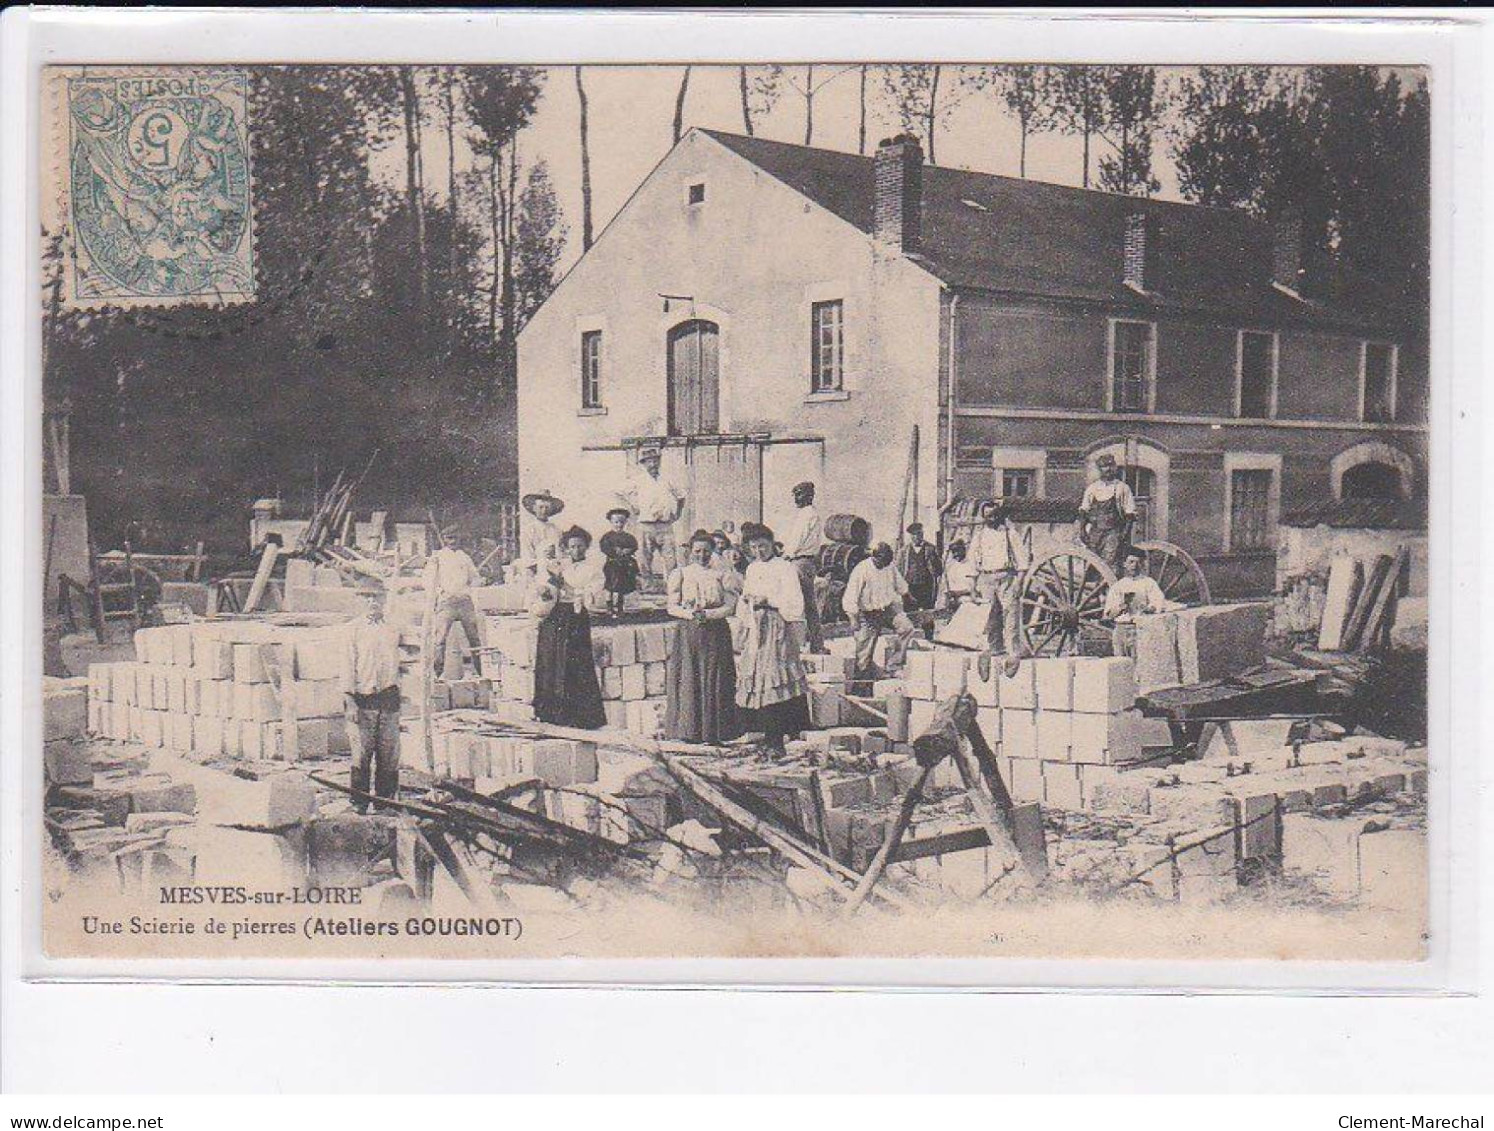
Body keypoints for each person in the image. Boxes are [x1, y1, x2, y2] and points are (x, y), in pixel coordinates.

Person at [735, 522, 810, 755]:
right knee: (757, 679)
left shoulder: (784, 568)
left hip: (776, 627)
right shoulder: (752, 569)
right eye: (754, 548)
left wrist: (767, 600)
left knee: (775, 678)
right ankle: (764, 734)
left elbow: (793, 601)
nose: (759, 552)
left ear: (772, 544)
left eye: (763, 546)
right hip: (756, 626)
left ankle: (778, 737)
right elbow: (745, 596)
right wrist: (747, 606)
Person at [664, 530, 741, 744]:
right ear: (690, 551)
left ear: (713, 551)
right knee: (689, 676)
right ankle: (689, 731)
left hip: (715, 630)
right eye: (697, 551)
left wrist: (709, 614)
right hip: (688, 630)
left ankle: (715, 732)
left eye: (706, 551)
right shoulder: (681, 573)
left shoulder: (722, 573)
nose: (701, 555)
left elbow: (730, 604)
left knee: (714, 676)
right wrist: (690, 613)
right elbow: (671, 605)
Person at [531, 525, 607, 729]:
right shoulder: (559, 565)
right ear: (566, 547)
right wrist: (548, 588)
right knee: (550, 659)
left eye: (580, 547)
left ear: (586, 548)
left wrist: (576, 592)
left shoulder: (593, 570)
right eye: (572, 546)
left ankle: (577, 715)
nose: (576, 550)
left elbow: (596, 595)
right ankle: (548, 712)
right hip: (554, 617)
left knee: (575, 662)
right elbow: (545, 585)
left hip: (575, 617)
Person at [341, 603, 403, 814]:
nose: (372, 602)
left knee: (389, 754)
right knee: (361, 754)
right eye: (366, 597)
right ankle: (359, 803)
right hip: (363, 701)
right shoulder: (353, 630)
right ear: (359, 599)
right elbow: (347, 667)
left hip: (389, 700)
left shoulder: (393, 628)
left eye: (377, 596)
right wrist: (349, 701)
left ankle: (385, 803)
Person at [843, 542, 919, 683]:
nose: (884, 565)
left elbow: (900, 584)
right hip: (868, 613)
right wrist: (853, 618)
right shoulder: (862, 570)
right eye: (882, 563)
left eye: (887, 563)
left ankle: (894, 665)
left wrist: (908, 595)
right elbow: (850, 596)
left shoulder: (889, 566)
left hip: (888, 608)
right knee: (864, 652)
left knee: (907, 627)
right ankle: (863, 678)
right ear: (875, 558)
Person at [966, 499, 1032, 657]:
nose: (992, 519)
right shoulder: (979, 536)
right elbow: (972, 564)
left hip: (1006, 577)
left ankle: (1013, 651)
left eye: (995, 515)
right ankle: (995, 648)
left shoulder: (1010, 534)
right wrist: (972, 588)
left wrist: (1019, 582)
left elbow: (1023, 561)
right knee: (990, 616)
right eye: (988, 516)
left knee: (1010, 614)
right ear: (984, 517)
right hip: (986, 579)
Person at [424, 524, 483, 679]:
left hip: (464, 601)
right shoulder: (437, 557)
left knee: (474, 638)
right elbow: (428, 580)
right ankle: (437, 674)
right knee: (440, 638)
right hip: (447, 602)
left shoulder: (465, 557)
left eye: (455, 538)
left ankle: (479, 672)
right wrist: (438, 594)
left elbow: (476, 578)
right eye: (449, 538)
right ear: (444, 539)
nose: (452, 541)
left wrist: (469, 591)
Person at [1104, 546, 1181, 657]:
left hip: (1139, 629)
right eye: (1131, 562)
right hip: (1120, 629)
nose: (1134, 566)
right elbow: (1109, 613)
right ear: (1124, 564)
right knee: (1121, 664)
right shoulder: (1118, 586)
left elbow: (1158, 602)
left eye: (1138, 562)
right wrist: (1121, 608)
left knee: (1139, 663)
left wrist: (1149, 608)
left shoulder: (1148, 583)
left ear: (1142, 564)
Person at [623, 446, 684, 582]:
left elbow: (681, 496)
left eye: (655, 461)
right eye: (649, 461)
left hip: (665, 525)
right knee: (644, 558)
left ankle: (672, 586)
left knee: (670, 557)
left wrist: (678, 513)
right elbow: (622, 494)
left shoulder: (666, 480)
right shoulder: (638, 480)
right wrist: (633, 508)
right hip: (646, 525)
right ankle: (647, 586)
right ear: (644, 464)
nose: (653, 464)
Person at [782, 480, 825, 653]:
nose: (796, 499)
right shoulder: (809, 514)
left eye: (799, 494)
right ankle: (815, 644)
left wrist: (786, 556)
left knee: (799, 603)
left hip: (800, 561)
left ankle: (803, 644)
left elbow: (797, 539)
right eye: (795, 495)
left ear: (809, 496)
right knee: (808, 605)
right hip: (804, 561)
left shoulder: (807, 515)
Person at [1079, 454, 1137, 572]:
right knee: (1091, 564)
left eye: (1111, 465)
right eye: (1104, 466)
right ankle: (1093, 588)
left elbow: (1130, 515)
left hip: (1113, 532)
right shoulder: (1092, 489)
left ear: (1115, 467)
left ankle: (1110, 589)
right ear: (1099, 469)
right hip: (1095, 533)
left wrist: (1123, 535)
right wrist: (1082, 531)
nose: (1108, 469)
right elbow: (1084, 511)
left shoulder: (1122, 488)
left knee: (1110, 565)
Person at [598, 507, 640, 616]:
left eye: (621, 522)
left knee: (622, 586)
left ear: (625, 522)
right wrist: (614, 551)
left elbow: (634, 546)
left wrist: (628, 550)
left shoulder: (628, 537)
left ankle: (620, 607)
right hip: (612, 564)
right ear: (611, 522)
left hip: (624, 565)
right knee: (610, 586)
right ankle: (609, 606)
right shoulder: (607, 537)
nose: (619, 524)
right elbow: (604, 548)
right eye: (616, 522)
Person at [518, 489, 564, 580]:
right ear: (534, 508)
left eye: (547, 508)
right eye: (541, 507)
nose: (544, 511)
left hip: (555, 572)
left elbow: (560, 553)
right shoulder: (528, 530)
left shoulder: (556, 530)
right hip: (534, 573)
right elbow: (527, 557)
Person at [943, 538, 974, 612]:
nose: (956, 554)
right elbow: (949, 587)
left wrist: (956, 593)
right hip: (955, 600)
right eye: (953, 552)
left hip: (968, 599)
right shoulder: (952, 567)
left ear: (963, 550)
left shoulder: (971, 565)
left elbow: (971, 588)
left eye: (958, 551)